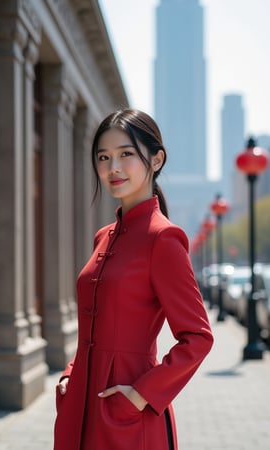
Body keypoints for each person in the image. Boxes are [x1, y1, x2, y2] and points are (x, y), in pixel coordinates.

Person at [54, 109, 213, 450]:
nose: (113, 167)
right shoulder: (103, 237)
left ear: (156, 160)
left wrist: (141, 395)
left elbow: (198, 337)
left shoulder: (164, 239)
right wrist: (71, 373)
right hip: (79, 404)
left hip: (127, 414)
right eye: (103, 157)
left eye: (126, 154)